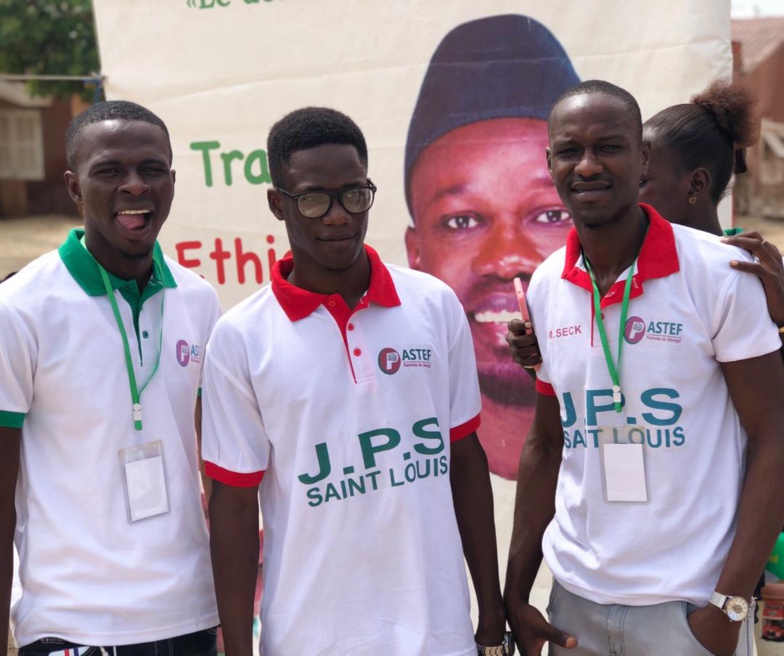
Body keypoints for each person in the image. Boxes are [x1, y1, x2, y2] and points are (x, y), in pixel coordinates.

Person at [202, 107, 508, 656]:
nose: (339, 216)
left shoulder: (433, 306)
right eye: (314, 198)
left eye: (354, 194)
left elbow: (465, 462)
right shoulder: (240, 338)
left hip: (439, 635)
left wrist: (490, 614)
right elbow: (233, 509)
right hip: (309, 639)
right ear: (278, 203)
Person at [503, 80, 784, 656]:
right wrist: (515, 592)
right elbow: (547, 443)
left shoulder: (720, 274)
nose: (587, 166)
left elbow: (775, 434)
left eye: (608, 147)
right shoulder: (547, 286)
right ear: (549, 162)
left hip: (688, 610)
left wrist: (727, 607)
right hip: (575, 603)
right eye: (569, 151)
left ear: (643, 157)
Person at [0, 101, 221, 655]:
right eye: (109, 171)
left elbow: (216, 468)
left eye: (151, 169)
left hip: (191, 610)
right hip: (72, 621)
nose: (135, 186)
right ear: (75, 187)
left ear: (172, 180)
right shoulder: (20, 309)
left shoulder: (198, 300)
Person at [404, 14, 580, 479]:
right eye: (462, 221)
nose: (506, 258)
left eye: (549, 215)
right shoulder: (395, 458)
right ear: (415, 253)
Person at [641, 80, 784, 332]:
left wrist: (781, 319)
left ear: (696, 184)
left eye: (640, 181)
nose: (625, 193)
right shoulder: (621, 267)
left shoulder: (762, 272)